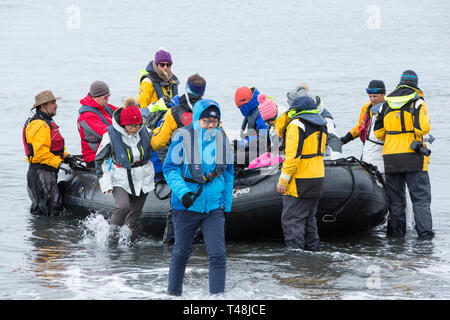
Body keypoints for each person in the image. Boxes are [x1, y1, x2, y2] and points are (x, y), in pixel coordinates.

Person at [163, 99, 234, 296]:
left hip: (213, 207)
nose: (211, 126)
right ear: (198, 119)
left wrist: (225, 204)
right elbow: (170, 169)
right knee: (181, 253)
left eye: (215, 121)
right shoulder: (182, 137)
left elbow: (228, 173)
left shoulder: (221, 137)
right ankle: (173, 294)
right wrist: (183, 193)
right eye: (206, 121)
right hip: (186, 205)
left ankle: (217, 297)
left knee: (218, 255)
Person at [374, 70, 434, 240]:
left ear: (400, 82)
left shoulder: (386, 103)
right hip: (413, 156)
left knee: (396, 201)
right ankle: (425, 237)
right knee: (420, 200)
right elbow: (422, 129)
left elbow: (378, 132)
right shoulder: (418, 102)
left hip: (391, 157)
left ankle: (396, 238)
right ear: (415, 84)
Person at [151, 73, 207, 245]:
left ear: (186, 88)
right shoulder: (208, 110)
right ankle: (197, 245)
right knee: (201, 203)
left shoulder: (173, 112)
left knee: (176, 205)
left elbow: (157, 142)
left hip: (180, 166)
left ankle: (169, 244)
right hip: (203, 166)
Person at [95, 97, 155, 244]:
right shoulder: (110, 136)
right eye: (131, 126)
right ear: (123, 124)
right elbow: (100, 160)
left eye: (137, 125)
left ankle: (130, 245)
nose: (134, 129)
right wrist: (106, 184)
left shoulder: (145, 131)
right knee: (123, 207)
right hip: (120, 176)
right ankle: (112, 241)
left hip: (143, 176)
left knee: (135, 213)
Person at [276, 96, 328, 251]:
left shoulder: (296, 125)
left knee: (292, 220)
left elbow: (292, 158)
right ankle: (313, 254)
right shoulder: (321, 124)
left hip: (300, 179)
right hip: (318, 176)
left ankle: (296, 258)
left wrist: (283, 181)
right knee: (309, 221)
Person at [23, 90, 74, 216]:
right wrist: (61, 164)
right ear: (43, 106)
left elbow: (53, 148)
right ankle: (46, 234)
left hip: (46, 171)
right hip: (41, 172)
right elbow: (41, 154)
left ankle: (45, 233)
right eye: (52, 103)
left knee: (49, 205)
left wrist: (67, 157)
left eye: (55, 102)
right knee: (51, 206)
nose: (56, 105)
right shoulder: (39, 125)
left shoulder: (46, 122)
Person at [340, 80, 386, 173]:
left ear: (384, 94)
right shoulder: (366, 108)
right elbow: (361, 127)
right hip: (367, 149)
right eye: (370, 96)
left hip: (382, 150)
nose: (372, 99)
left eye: (375, 96)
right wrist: (345, 139)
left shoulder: (388, 109)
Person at [287, 84, 342, 159]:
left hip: (322, 157)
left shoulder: (325, 118)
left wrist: (336, 159)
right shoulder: (295, 115)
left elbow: (334, 140)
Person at [78, 81, 118, 168]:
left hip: (109, 154)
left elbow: (122, 113)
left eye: (109, 95)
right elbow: (107, 133)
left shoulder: (105, 107)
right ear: (96, 97)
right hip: (95, 158)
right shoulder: (87, 116)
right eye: (105, 97)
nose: (108, 98)